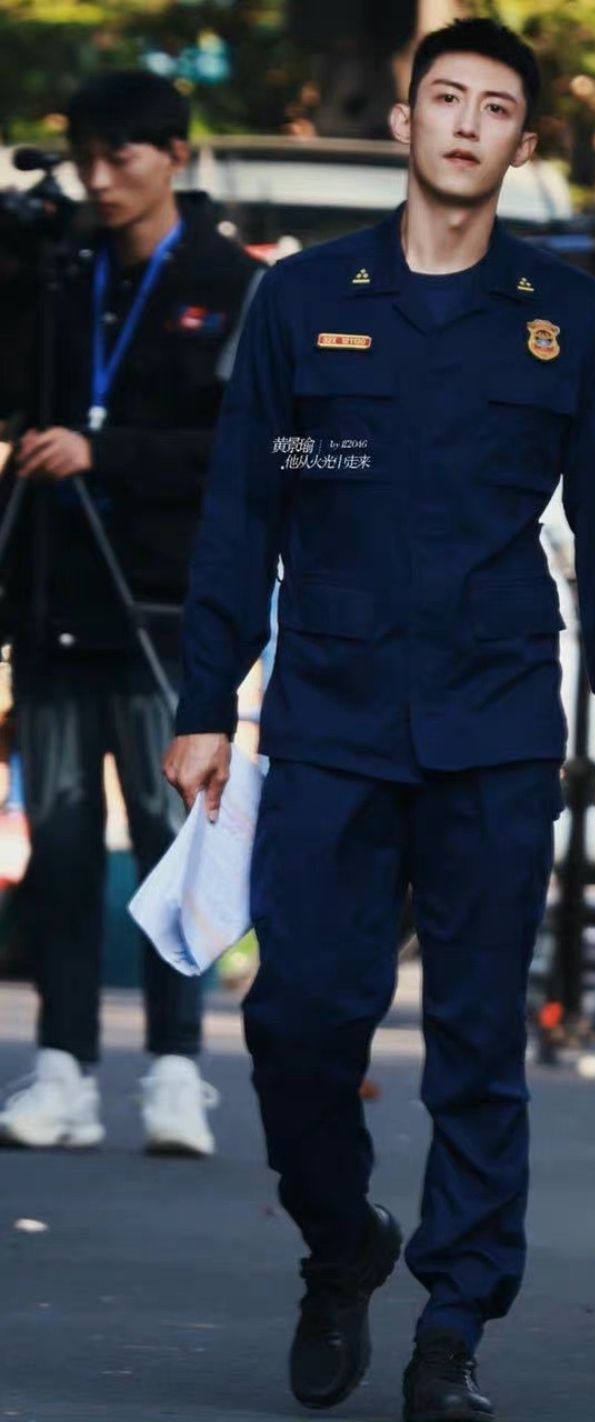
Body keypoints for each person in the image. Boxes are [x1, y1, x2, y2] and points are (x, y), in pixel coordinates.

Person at [165, 17, 595, 1420]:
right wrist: (206, 701)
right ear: (402, 124)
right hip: (329, 716)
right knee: (295, 1023)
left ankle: (452, 1327)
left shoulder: (564, 316)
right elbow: (243, 512)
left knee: (475, 1045)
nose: (462, 122)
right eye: (442, 97)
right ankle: (343, 1243)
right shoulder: (300, 299)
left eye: (493, 107)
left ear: (519, 142)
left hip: (495, 721)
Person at [0, 71, 259, 1156]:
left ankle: (175, 1070)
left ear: (174, 157)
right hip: (55, 599)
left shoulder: (233, 282)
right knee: (59, 845)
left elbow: (249, 451)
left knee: (170, 839)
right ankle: (62, 1069)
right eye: (86, 161)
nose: (102, 181)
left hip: (168, 611)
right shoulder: (61, 272)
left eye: (123, 158)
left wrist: (107, 452)